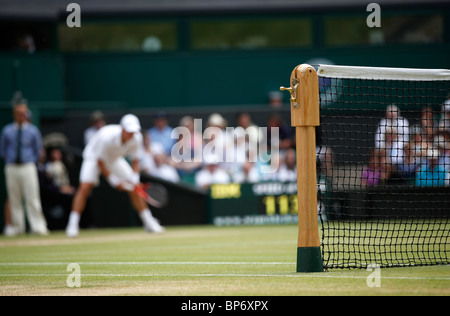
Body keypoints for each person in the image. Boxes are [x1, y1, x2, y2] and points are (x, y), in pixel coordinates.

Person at [65, 114, 164, 237]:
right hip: (94, 157)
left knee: (136, 188)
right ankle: (72, 225)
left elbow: (136, 160)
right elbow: (100, 161)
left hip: (114, 159)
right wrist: (113, 180)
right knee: (85, 187)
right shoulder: (107, 136)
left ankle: (149, 223)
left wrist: (134, 178)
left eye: (134, 131)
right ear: (122, 129)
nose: (132, 134)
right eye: (129, 131)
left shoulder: (137, 137)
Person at [0, 101, 49, 235]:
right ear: (14, 115)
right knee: (14, 198)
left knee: (32, 197)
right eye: (19, 113)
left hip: (28, 166)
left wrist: (31, 161)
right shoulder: (7, 131)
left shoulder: (33, 131)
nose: (22, 116)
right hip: (11, 167)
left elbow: (38, 150)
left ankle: (38, 227)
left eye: (24, 113)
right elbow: (3, 151)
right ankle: (17, 227)